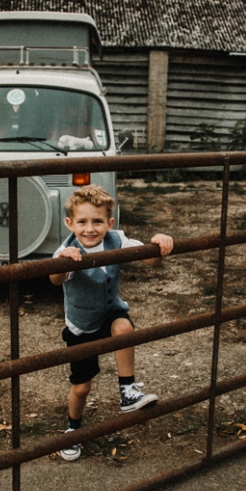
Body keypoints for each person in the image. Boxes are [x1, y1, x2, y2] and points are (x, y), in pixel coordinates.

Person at [49, 184, 174, 462]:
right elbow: (54, 279)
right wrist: (62, 263)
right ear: (70, 223)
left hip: (109, 314)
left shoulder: (117, 240)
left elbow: (150, 260)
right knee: (82, 387)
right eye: (82, 222)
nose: (89, 229)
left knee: (124, 327)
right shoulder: (66, 250)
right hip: (81, 327)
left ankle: (127, 391)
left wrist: (160, 243)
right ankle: (73, 428)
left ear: (110, 222)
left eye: (98, 221)